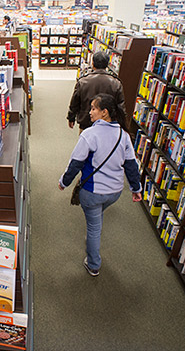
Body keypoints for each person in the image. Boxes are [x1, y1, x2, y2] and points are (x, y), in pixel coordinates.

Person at [58, 93, 142, 277]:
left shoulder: (90, 135)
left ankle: (93, 264)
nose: (90, 112)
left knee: (94, 228)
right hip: (115, 192)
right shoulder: (123, 135)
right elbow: (131, 165)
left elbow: (76, 163)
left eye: (93, 108)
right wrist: (136, 189)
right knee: (96, 217)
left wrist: (64, 182)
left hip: (93, 192)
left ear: (104, 112)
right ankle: (94, 222)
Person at [67, 52, 125, 132]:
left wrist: (71, 117)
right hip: (108, 124)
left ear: (92, 63)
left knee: (86, 142)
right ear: (107, 64)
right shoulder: (116, 83)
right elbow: (121, 106)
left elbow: (75, 102)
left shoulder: (83, 81)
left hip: (86, 122)